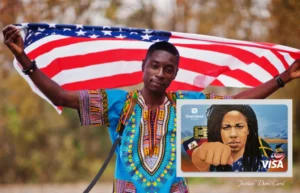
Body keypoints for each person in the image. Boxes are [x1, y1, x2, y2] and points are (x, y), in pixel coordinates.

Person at [2, 25, 300, 193]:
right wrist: (25, 60)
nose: (160, 73)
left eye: (168, 69)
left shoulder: (187, 105)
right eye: (154, 66)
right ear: (143, 67)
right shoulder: (119, 103)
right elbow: (62, 96)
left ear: (175, 74)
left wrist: (282, 78)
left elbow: (237, 104)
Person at [205, 105, 269, 172]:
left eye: (239, 126)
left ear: (249, 129)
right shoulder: (208, 164)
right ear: (218, 131)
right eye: (226, 127)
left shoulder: (265, 165)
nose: (233, 134)